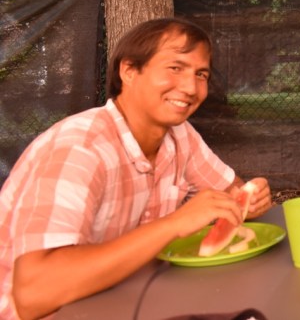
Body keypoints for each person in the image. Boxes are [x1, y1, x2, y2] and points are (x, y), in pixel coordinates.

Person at [0, 18, 272, 320]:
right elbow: (33, 295)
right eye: (175, 68)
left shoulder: (179, 135)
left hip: (125, 299)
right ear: (129, 70)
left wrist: (251, 198)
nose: (190, 87)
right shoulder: (80, 149)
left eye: (201, 74)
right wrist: (174, 224)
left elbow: (232, 192)